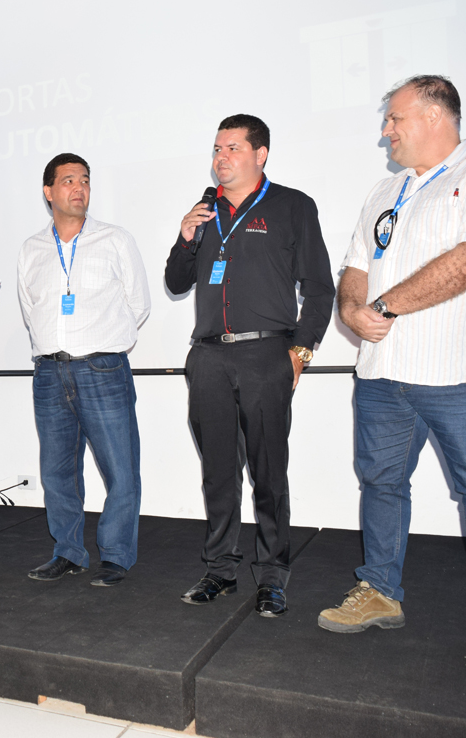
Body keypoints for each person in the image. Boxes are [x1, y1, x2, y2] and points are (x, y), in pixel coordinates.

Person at [319, 75, 466, 672]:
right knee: (381, 483)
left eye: (395, 118)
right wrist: (352, 310)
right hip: (382, 372)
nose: (386, 130)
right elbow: (355, 266)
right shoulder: (384, 190)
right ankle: (380, 590)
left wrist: (384, 307)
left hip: (461, 369)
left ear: (436, 116)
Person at [164, 114, 334, 617]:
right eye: (217, 149)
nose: (221, 158)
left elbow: (319, 289)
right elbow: (176, 282)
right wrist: (185, 237)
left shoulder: (292, 206)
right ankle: (220, 570)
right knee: (218, 473)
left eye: (233, 148)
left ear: (260, 154)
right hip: (208, 356)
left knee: (268, 472)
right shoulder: (205, 213)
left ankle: (273, 577)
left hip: (266, 355)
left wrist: (301, 352)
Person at [16, 153, 150, 587]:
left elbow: (139, 305)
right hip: (49, 372)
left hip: (102, 368)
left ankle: (116, 555)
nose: (79, 188)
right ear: (48, 191)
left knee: (120, 469)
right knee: (57, 472)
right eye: (69, 180)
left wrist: (101, 341)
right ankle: (68, 552)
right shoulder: (32, 249)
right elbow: (30, 309)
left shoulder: (115, 239)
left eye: (85, 180)